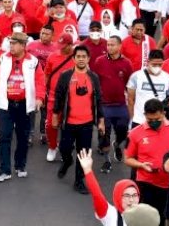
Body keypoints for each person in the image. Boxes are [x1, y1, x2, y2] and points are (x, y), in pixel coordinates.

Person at [0, 32, 45, 182]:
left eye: (14, 43)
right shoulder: (3, 58)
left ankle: (20, 166)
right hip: (6, 104)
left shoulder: (33, 61)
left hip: (25, 105)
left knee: (23, 137)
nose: (11, 46)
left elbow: (40, 80)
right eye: (10, 43)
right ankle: (4, 170)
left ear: (23, 45)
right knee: (5, 136)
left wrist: (39, 98)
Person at [53, 45, 104, 194]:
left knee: (83, 154)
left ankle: (79, 181)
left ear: (88, 59)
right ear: (74, 58)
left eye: (84, 57)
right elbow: (58, 97)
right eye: (78, 56)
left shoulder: (93, 77)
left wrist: (100, 120)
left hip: (87, 124)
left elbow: (99, 100)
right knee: (64, 149)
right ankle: (67, 161)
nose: (81, 59)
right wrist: (55, 116)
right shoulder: (65, 76)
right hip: (68, 123)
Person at [124, 99, 169, 225]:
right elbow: (128, 159)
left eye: (157, 119)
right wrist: (140, 165)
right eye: (150, 120)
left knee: (163, 218)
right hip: (146, 184)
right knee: (146, 219)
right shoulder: (135, 133)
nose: (154, 122)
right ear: (145, 115)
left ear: (163, 113)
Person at [92, 36, 132, 173]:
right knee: (104, 134)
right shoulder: (99, 61)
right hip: (104, 105)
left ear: (120, 46)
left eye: (112, 45)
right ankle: (106, 160)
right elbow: (94, 82)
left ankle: (117, 144)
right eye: (108, 45)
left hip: (121, 105)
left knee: (122, 130)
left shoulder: (127, 63)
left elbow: (129, 84)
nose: (109, 47)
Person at [77, 148, 141, 226]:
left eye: (134, 195)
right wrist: (87, 170)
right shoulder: (110, 214)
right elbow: (97, 195)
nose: (131, 200)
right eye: (127, 195)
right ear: (118, 197)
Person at [44, 33, 75, 161]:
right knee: (51, 124)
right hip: (53, 95)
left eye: (64, 46)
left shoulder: (76, 57)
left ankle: (65, 148)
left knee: (69, 125)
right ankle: (52, 146)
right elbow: (47, 74)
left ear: (70, 45)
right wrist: (45, 90)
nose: (61, 48)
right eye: (60, 45)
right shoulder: (52, 56)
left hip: (72, 97)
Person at [127, 50, 169, 128]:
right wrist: (132, 118)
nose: (157, 67)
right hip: (139, 120)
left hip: (158, 121)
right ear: (148, 62)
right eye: (154, 64)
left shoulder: (168, 78)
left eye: (160, 64)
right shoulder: (136, 76)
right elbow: (130, 100)